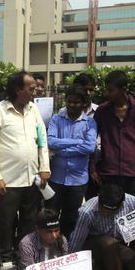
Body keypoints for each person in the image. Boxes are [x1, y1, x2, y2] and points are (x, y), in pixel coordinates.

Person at [0, 71, 51, 262]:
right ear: (17, 89)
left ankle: (24, 254)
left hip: (32, 178)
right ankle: (6, 257)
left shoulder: (34, 109)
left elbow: (42, 139)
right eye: (31, 88)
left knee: (29, 221)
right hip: (7, 181)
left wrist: (44, 166)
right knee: (5, 222)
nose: (35, 92)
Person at [92, 69, 135, 199]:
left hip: (133, 173)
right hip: (109, 172)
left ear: (124, 89)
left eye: (111, 90)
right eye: (106, 89)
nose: (107, 93)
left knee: (132, 209)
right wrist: (92, 168)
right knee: (109, 208)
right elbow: (91, 140)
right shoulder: (102, 111)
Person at [46, 86, 97, 237]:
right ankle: (50, 243)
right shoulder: (56, 119)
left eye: (76, 102)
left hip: (78, 180)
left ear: (84, 104)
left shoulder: (90, 123)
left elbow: (89, 147)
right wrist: (76, 141)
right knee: (51, 215)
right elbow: (51, 141)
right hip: (56, 178)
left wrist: (62, 150)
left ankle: (66, 244)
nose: (72, 105)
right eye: (69, 102)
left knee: (71, 217)